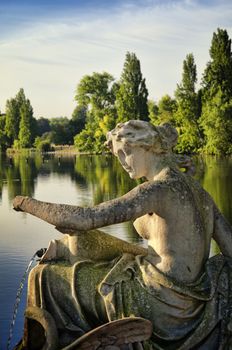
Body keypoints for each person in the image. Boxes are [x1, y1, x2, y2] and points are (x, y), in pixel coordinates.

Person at [13, 120, 232, 349]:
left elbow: (86, 218)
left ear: (147, 147)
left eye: (126, 153)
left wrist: (26, 203)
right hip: (193, 306)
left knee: (46, 277)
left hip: (157, 304)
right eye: (118, 156)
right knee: (85, 249)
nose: (123, 163)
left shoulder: (158, 189)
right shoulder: (200, 192)